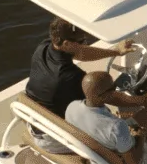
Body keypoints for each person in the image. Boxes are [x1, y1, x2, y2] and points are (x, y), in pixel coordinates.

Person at [24, 18, 135, 154]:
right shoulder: (71, 76)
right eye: (81, 41)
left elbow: (81, 53)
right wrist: (143, 100)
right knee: (119, 134)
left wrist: (116, 51)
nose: (85, 44)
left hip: (35, 123)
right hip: (54, 138)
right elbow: (104, 98)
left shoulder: (44, 48)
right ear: (66, 44)